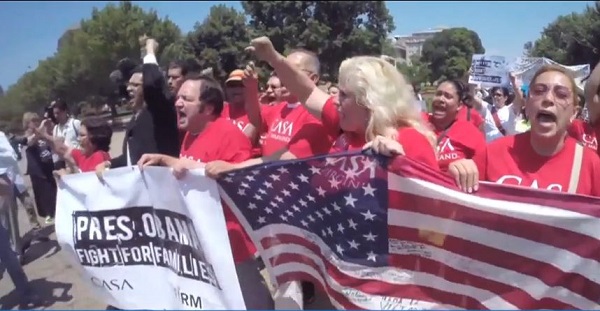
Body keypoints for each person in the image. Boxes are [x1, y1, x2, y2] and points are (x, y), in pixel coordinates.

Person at [137, 72, 273, 310]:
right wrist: (164, 162)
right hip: (200, 242)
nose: (177, 103)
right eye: (178, 97)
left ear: (208, 108)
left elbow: (240, 182)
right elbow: (190, 172)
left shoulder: (229, 135)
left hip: (231, 246)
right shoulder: (190, 134)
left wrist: (182, 165)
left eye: (186, 99)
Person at [449, 65, 600, 196]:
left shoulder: (590, 165)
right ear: (526, 105)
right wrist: (460, 171)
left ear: (574, 113)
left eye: (561, 94)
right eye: (539, 91)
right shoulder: (492, 154)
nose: (548, 98)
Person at [95, 37, 180, 176]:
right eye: (129, 84)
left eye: (135, 85)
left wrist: (150, 50)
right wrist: (110, 164)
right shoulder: (136, 118)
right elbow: (132, 156)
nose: (129, 89)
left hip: (162, 185)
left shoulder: (160, 111)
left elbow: (152, 83)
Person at [421, 80, 486, 172]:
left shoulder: (470, 133)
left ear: (459, 105)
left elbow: (481, 172)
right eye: (438, 94)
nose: (441, 99)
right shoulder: (417, 122)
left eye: (448, 96)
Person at [16, 112, 56, 224]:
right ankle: (48, 214)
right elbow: (30, 142)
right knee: (43, 193)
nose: (36, 123)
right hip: (37, 169)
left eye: (37, 120)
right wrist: (42, 127)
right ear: (27, 123)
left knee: (53, 190)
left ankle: (55, 212)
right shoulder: (26, 136)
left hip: (48, 165)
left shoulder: (42, 132)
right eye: (33, 121)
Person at [37, 117, 112, 174]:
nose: (78, 139)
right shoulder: (82, 156)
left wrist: (72, 171)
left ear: (95, 137)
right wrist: (44, 136)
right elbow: (62, 149)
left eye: (82, 135)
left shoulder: (100, 156)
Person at [50, 99, 81, 170]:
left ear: (65, 111)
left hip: (78, 160)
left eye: (58, 113)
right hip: (65, 164)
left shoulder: (75, 123)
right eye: (54, 113)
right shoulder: (56, 128)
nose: (56, 116)